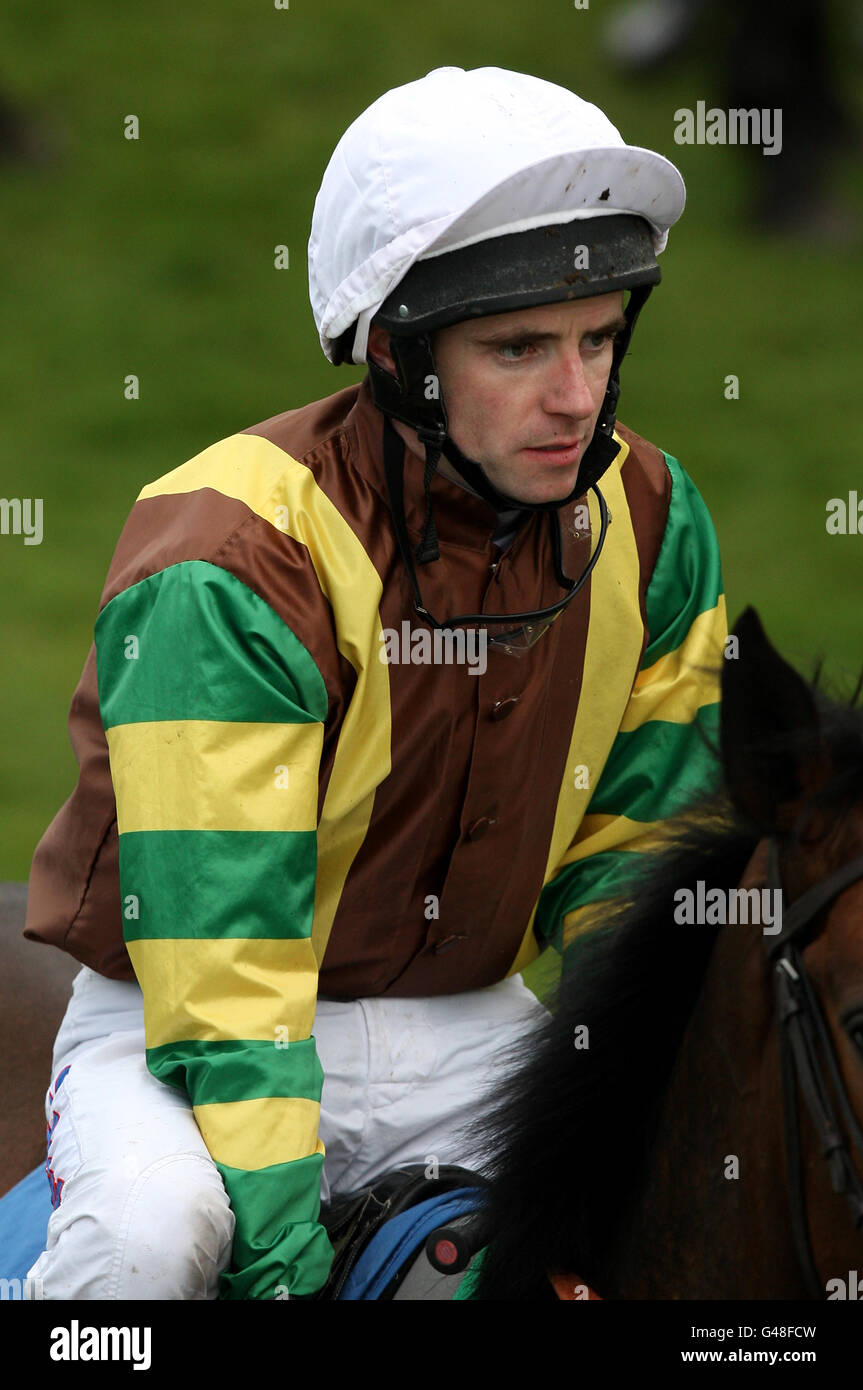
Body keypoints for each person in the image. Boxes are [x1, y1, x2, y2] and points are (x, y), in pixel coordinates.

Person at [23, 65, 727, 1299]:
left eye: (598, 339)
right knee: (151, 1245)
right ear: (398, 357)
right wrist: (287, 1267)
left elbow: (640, 864)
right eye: (518, 348)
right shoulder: (229, 556)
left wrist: (629, 1100)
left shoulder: (656, 520)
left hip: (473, 1021)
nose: (577, 396)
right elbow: (229, 976)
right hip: (181, 1026)